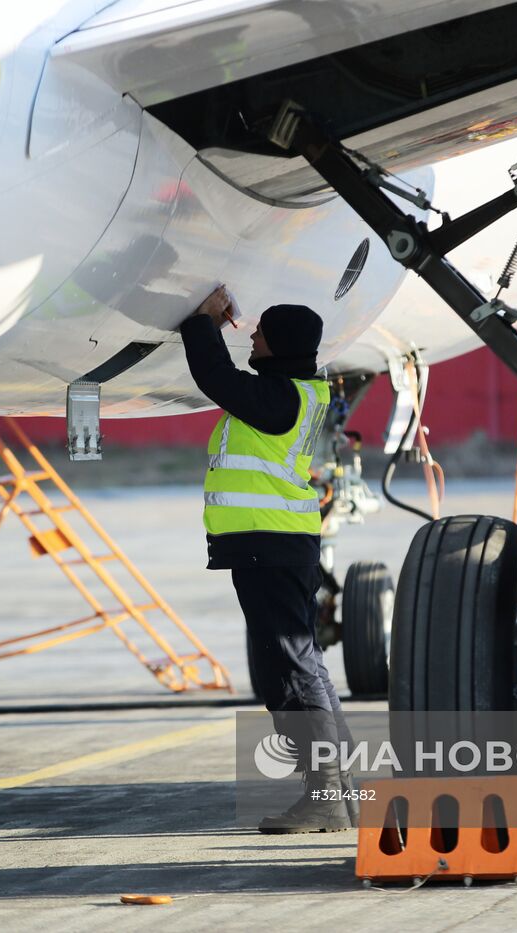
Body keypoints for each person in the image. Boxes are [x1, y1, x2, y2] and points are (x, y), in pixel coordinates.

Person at [179, 284, 356, 834]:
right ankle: (340, 788)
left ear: (277, 345)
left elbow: (215, 378)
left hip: (269, 543)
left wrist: (201, 322)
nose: (250, 335)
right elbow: (231, 381)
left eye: (259, 332)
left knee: (288, 666)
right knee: (303, 661)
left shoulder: (280, 400)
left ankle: (326, 793)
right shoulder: (295, 391)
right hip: (278, 541)